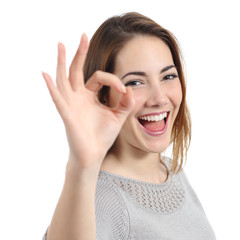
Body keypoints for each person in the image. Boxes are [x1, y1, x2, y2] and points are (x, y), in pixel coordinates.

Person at [42, 12, 216, 240]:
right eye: (135, 82)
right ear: (104, 97)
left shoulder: (171, 171)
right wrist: (81, 166)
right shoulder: (104, 199)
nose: (159, 98)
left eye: (168, 76)